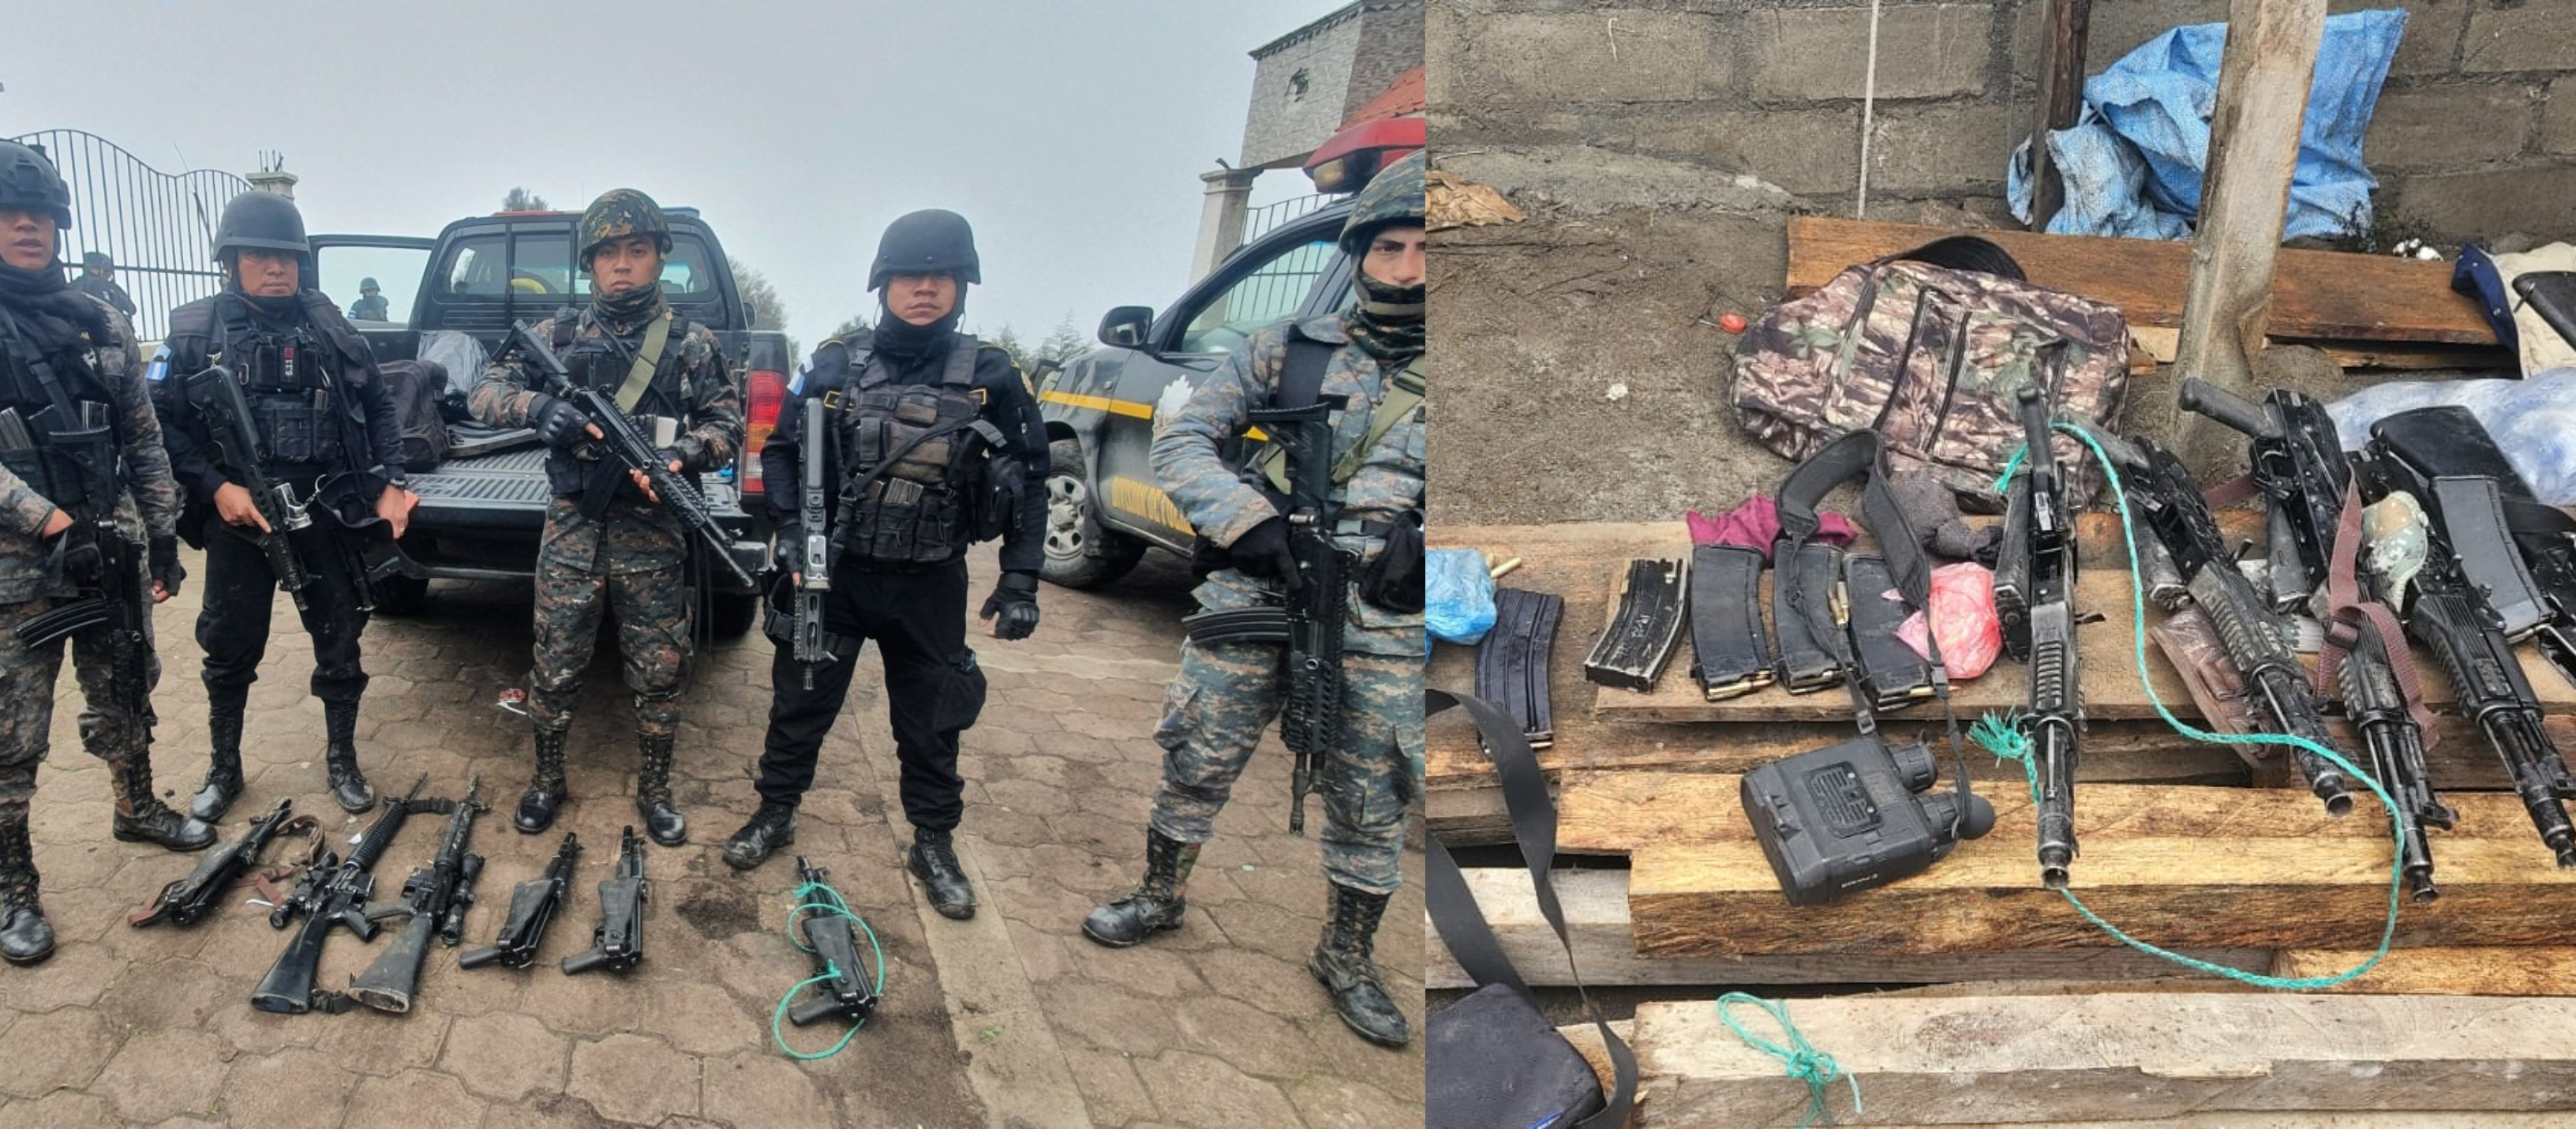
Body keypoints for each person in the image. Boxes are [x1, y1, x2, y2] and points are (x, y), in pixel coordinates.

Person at [1080, 151, 1428, 1048]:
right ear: (1362, 253)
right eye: (1388, 247)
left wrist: (1434, 548)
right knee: (1199, 746)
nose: (1407, 267)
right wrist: (1249, 521)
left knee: (1374, 786)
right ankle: (1160, 894)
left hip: (1383, 610)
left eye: (1429, 248)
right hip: (1260, 578)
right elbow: (1185, 435)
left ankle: (1347, 955)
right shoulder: (1285, 347)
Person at [718, 208, 1047, 925]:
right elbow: (778, 452)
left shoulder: (992, 375)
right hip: (834, 576)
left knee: (932, 721)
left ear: (962, 284)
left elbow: (1029, 477)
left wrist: (1020, 578)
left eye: (941, 277)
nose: (925, 289)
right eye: (909, 276)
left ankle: (934, 842)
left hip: (931, 581)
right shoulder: (835, 363)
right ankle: (775, 812)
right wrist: (794, 537)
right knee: (800, 703)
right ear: (883, 284)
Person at [470, 188, 741, 847]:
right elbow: (483, 391)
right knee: (556, 659)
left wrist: (680, 454)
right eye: (610, 253)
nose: (624, 264)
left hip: (653, 530)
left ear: (659, 260)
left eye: (638, 251)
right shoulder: (555, 334)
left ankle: (654, 790)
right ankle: (547, 781)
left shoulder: (692, 343)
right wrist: (537, 410)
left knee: (660, 667)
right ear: (590, 263)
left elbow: (728, 424)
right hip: (574, 527)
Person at [0, 141, 212, 965]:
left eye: (42, 214)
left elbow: (144, 439)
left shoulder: (102, 319)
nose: (28, 227)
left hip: (111, 543)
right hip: (19, 566)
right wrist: (44, 517)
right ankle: (15, 883)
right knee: (12, 732)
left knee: (127, 683)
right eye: (12, 213)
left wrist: (162, 536)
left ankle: (136, 806)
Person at [152, 190, 416, 820]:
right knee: (228, 646)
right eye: (260, 256)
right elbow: (159, 427)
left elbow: (381, 405)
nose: (277, 268)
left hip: (325, 512)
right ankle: (225, 767)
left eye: (287, 258)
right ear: (230, 261)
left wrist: (392, 480)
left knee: (341, 638)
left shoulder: (330, 326)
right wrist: (217, 487)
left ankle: (343, 761)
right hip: (241, 517)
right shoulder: (195, 333)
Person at [70, 252, 135, 320]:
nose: (107, 275)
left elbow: (132, 309)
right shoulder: (102, 285)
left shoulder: (77, 283)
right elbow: (131, 308)